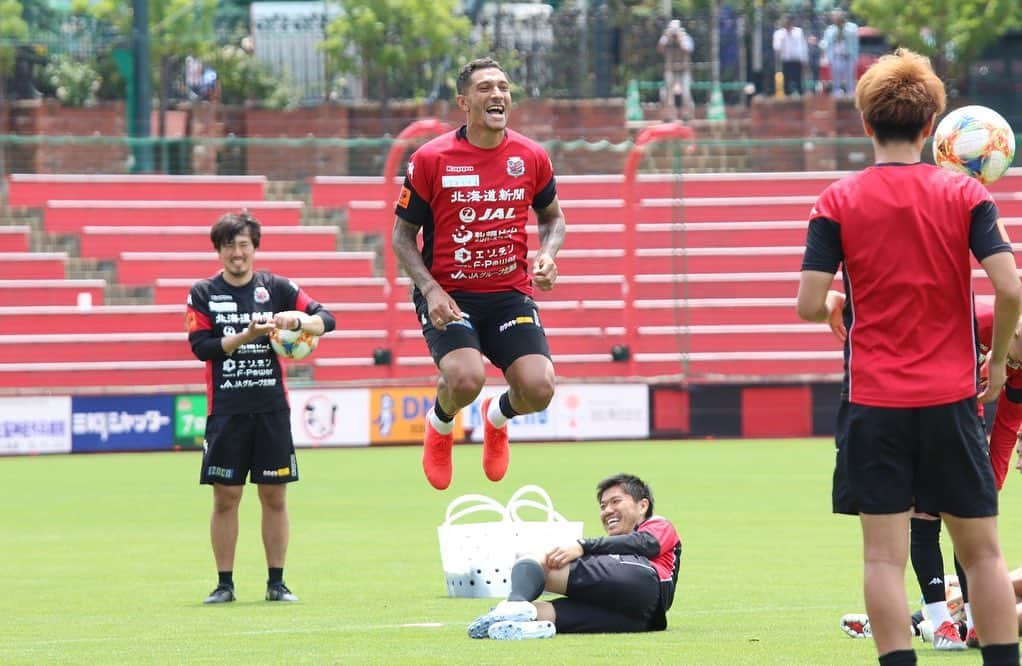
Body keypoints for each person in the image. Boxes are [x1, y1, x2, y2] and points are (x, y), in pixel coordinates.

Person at [796, 47, 1021, 666]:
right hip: (952, 400)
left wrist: (837, 302)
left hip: (874, 403)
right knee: (983, 555)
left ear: (866, 123)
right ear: (932, 127)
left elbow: (807, 303)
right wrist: (996, 363)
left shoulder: (835, 201)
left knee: (882, 560)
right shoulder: (965, 195)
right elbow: (1010, 288)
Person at [391, 57, 567, 491]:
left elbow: (553, 218)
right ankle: (440, 423)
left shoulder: (531, 156)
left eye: (503, 87)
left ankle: (496, 416)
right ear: (464, 102)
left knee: (539, 387)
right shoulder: (431, 159)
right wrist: (430, 291)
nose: (498, 95)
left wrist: (548, 253)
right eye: (486, 87)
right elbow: (401, 237)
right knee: (465, 379)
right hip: (450, 294)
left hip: (509, 293)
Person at [829, 293, 1022, 649]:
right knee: (924, 515)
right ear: (1015, 330)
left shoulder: (1017, 370)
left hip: (964, 421)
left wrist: (989, 483)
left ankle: (957, 622)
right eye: (1016, 354)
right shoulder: (976, 316)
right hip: (916, 405)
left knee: (970, 523)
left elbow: (1008, 426)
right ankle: (940, 623)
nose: (1013, 365)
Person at [186, 211, 337, 604]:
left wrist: (299, 319)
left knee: (274, 497)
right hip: (227, 412)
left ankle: (277, 583)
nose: (237, 253)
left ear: (254, 248)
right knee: (226, 497)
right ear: (218, 251)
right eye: (229, 246)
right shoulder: (202, 293)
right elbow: (201, 347)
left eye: (243, 245)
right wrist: (245, 335)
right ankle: (224, 584)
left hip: (271, 410)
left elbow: (328, 319)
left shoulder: (277, 287)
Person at [466, 473, 681, 639]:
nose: (607, 511)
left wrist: (582, 545)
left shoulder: (657, 524)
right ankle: (522, 626)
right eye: (603, 506)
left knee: (539, 559)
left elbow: (646, 544)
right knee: (551, 612)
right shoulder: (614, 553)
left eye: (615, 502)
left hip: (645, 584)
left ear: (643, 505)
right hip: (641, 621)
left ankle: (513, 605)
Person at [657, 19, 695, 122]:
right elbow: (660, 49)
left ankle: (687, 116)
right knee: (668, 94)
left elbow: (688, 49)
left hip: (684, 70)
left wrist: (680, 39)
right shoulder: (666, 38)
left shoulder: (685, 38)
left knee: (686, 93)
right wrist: (666, 38)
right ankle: (669, 116)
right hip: (670, 69)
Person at [821, 9, 859, 97]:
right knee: (836, 79)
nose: (836, 19)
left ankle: (850, 95)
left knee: (850, 79)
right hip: (836, 57)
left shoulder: (852, 27)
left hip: (848, 56)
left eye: (838, 17)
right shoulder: (830, 29)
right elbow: (825, 42)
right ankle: (836, 95)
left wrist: (842, 27)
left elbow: (852, 36)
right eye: (835, 17)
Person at [772, 15, 808, 96]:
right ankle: (787, 99)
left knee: (798, 82)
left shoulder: (799, 32)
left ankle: (801, 100)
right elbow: (776, 47)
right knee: (786, 82)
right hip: (786, 61)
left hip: (797, 61)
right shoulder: (779, 33)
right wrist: (782, 40)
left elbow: (803, 47)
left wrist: (804, 60)